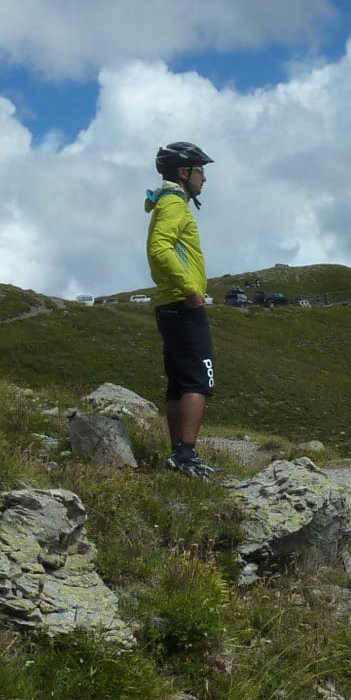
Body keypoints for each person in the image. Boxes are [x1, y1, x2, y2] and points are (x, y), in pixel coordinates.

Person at [146, 141, 218, 478]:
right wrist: (191, 290)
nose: (204, 177)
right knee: (198, 382)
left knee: (178, 383)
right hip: (183, 303)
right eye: (200, 170)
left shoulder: (167, 202)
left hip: (168, 304)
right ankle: (187, 457)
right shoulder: (174, 204)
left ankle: (179, 455)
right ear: (183, 172)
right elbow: (160, 249)